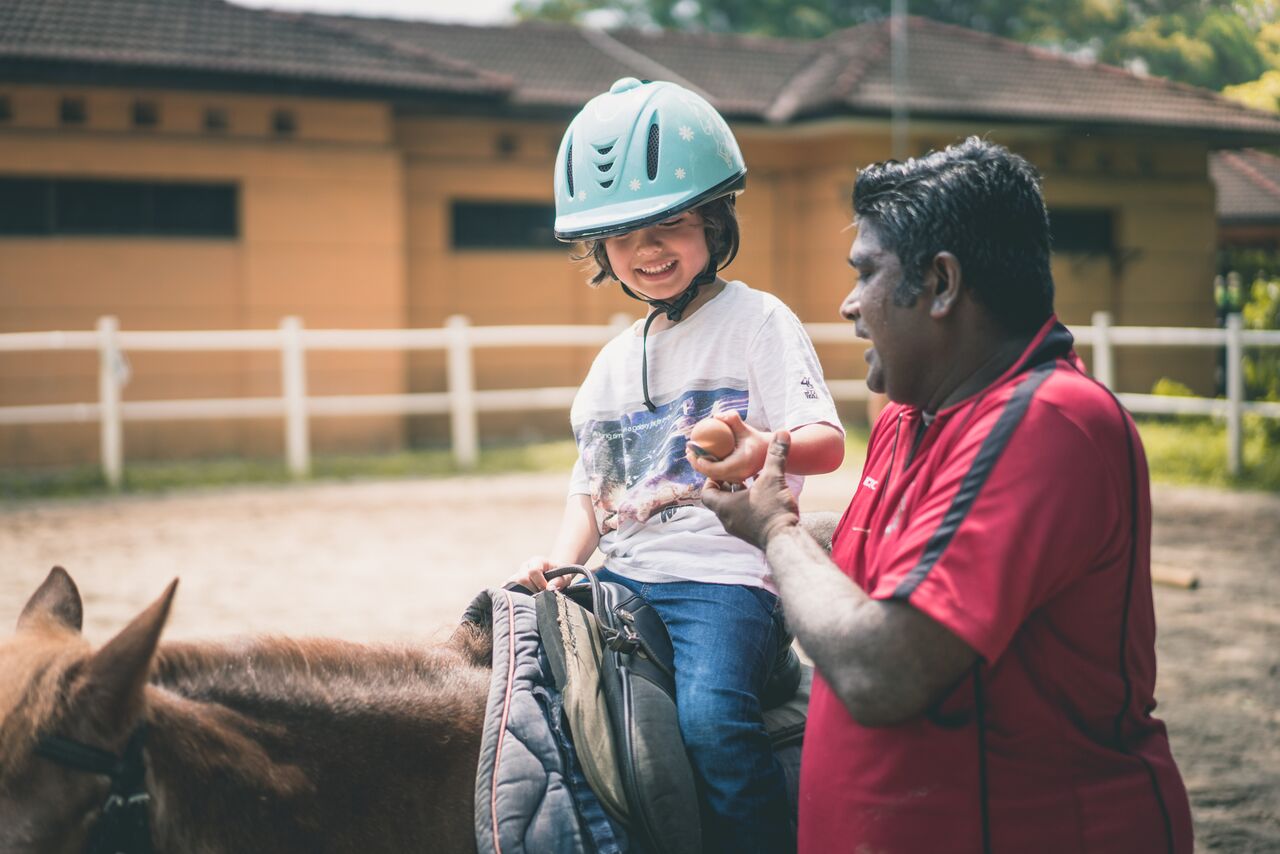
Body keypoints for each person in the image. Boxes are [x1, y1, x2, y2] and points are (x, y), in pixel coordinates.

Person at [697, 138, 1194, 853]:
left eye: (866, 273)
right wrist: (798, 529)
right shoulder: (915, 411)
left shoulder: (1045, 425)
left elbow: (883, 672)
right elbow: (892, 548)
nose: (847, 304)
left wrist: (773, 531)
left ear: (942, 284)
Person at [509, 77, 846, 854]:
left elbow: (824, 439)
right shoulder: (610, 365)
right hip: (624, 578)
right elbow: (591, 490)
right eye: (624, 239)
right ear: (601, 253)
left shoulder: (758, 321)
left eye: (671, 225)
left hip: (723, 580)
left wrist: (765, 453)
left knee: (710, 720)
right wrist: (558, 564)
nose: (649, 251)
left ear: (715, 222)